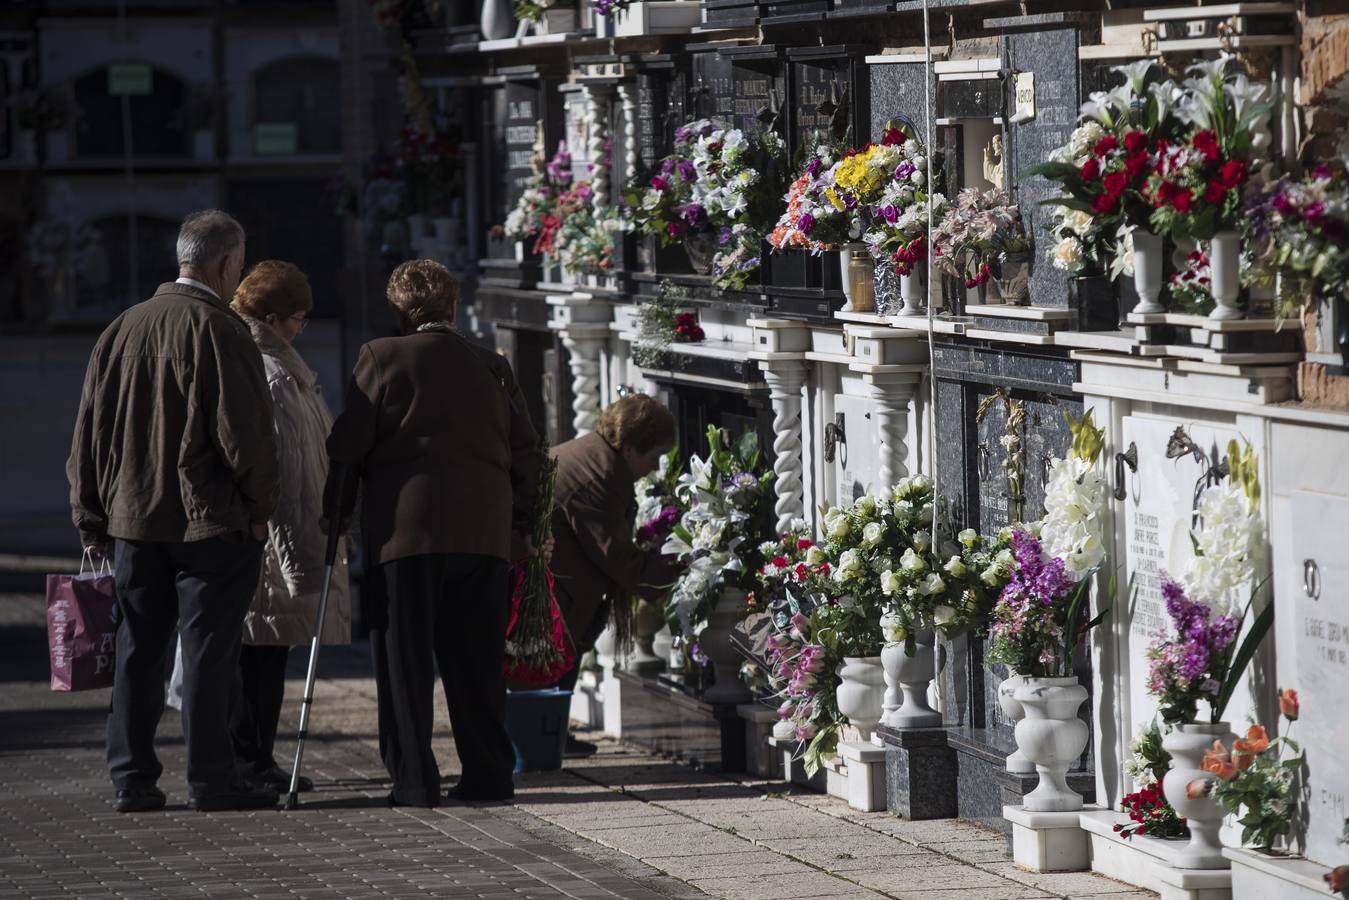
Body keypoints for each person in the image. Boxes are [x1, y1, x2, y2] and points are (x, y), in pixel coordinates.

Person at [67, 209, 281, 813]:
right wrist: (260, 508)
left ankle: (132, 778)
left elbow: (87, 432)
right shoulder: (220, 330)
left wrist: (89, 514)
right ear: (223, 264)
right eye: (238, 266)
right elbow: (248, 438)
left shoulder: (122, 328)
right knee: (210, 652)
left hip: (132, 520)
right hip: (209, 522)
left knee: (140, 650)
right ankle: (213, 777)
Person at [324, 259, 542, 807]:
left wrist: (336, 513)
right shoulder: (491, 365)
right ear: (451, 305)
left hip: (406, 534)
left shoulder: (382, 357)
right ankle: (489, 775)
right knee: (476, 662)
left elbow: (349, 445)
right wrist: (526, 524)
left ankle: (416, 781)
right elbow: (527, 451)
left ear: (399, 309)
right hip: (483, 533)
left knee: (405, 662)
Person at [228, 260, 352, 793]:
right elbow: (292, 476)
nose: (303, 327)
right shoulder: (274, 376)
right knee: (259, 657)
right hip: (271, 548)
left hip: (267, 545)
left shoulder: (275, 365)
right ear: (276, 318)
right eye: (299, 317)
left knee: (262, 653)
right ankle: (251, 761)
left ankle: (254, 757)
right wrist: (301, 562)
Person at [548, 394, 680, 756]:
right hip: (555, 589)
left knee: (561, 657)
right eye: (653, 458)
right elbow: (616, 556)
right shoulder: (600, 476)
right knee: (553, 659)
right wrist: (677, 575)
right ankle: (546, 734)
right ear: (631, 448)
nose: (653, 469)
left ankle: (551, 732)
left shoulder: (597, 455)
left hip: (563, 585)